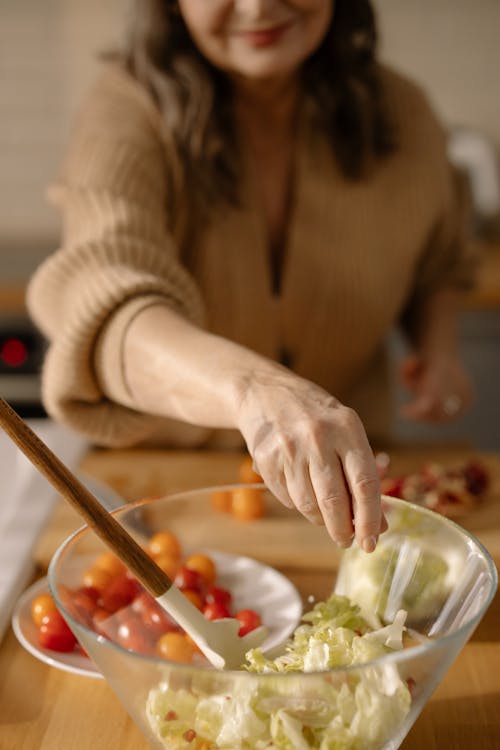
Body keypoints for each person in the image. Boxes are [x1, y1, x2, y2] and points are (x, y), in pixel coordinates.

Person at [27, 0, 476, 554]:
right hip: (161, 496)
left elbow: (441, 258)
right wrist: (255, 391)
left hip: (353, 497)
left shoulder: (405, 111)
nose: (259, 6)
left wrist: (439, 346)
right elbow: (104, 300)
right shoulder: (125, 108)